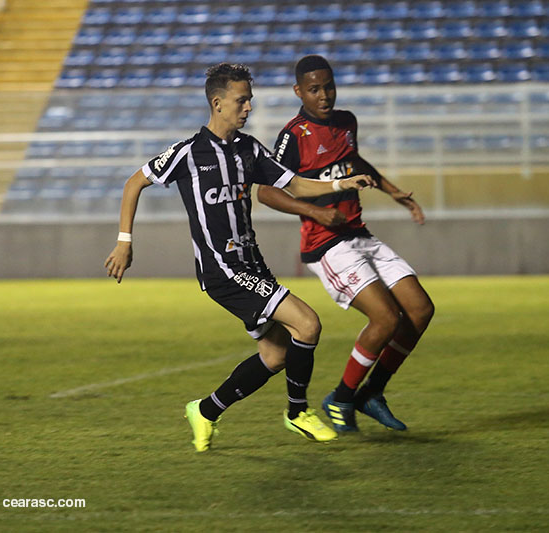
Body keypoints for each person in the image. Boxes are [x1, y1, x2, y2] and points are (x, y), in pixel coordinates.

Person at [104, 63, 372, 452]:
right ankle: (298, 413)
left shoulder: (249, 149)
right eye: (241, 100)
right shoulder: (188, 153)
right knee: (308, 324)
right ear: (217, 103)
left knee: (276, 354)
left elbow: (293, 183)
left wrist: (342, 182)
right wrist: (124, 241)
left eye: (250, 100)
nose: (248, 108)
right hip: (223, 271)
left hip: (252, 265)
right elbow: (135, 182)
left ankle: (206, 411)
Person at [257, 56, 434, 433]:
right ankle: (341, 397)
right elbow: (267, 193)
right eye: (314, 89)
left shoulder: (346, 122)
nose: (324, 96)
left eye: (329, 87)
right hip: (326, 245)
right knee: (386, 318)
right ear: (299, 91)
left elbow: (353, 160)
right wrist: (316, 213)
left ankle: (371, 394)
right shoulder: (294, 135)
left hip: (359, 234)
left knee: (420, 310)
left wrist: (393, 192)